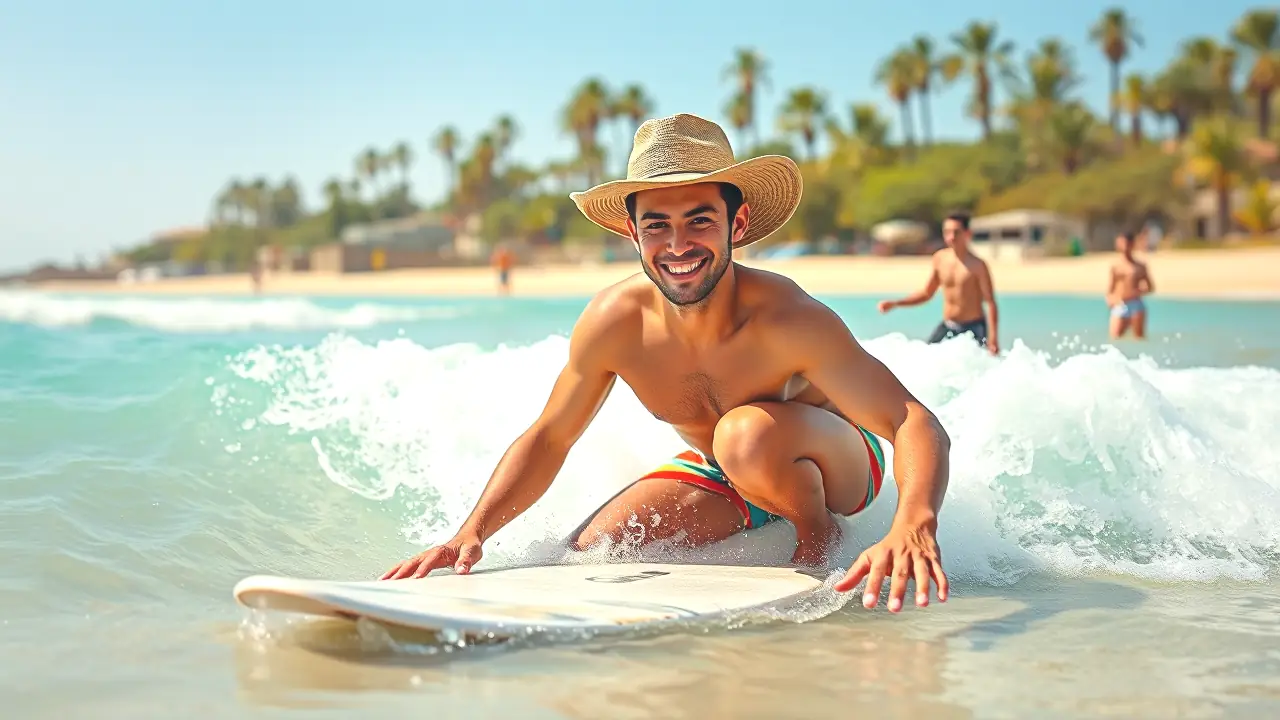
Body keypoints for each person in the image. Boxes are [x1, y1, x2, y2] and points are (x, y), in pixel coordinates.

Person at [383, 113, 951, 613]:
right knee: (590, 556)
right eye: (657, 226)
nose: (678, 245)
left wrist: (913, 521)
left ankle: (818, 538)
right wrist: (471, 534)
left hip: (840, 465)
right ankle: (766, 513)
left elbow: (913, 421)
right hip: (727, 472)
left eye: (700, 221)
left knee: (743, 434)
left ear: (737, 224)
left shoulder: (788, 318)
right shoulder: (614, 322)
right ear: (632, 232)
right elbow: (551, 436)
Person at [877, 212, 999, 355]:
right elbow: (926, 293)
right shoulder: (940, 259)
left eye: (956, 232)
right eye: (947, 232)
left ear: (967, 234)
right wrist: (896, 303)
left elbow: (990, 302)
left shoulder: (978, 265)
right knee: (927, 356)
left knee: (977, 363)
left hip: (974, 327)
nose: (951, 237)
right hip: (948, 325)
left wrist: (993, 338)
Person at [1107, 231, 1155, 339]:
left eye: (1127, 244)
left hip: (1136, 304)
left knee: (1138, 338)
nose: (1125, 247)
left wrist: (1138, 291)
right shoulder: (1116, 266)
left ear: (1132, 244)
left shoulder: (1140, 266)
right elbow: (1111, 288)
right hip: (1120, 303)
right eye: (1122, 243)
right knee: (1115, 337)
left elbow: (1150, 287)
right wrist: (1110, 300)